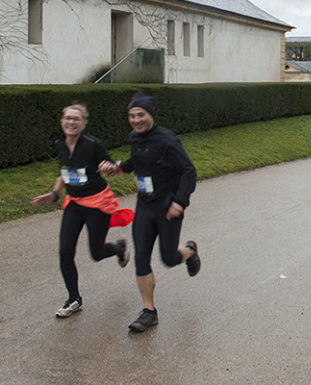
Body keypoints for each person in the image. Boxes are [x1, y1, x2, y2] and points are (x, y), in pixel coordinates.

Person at [100, 92, 201, 333]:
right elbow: (138, 161)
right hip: (145, 206)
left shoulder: (168, 140)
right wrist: (117, 168)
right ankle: (149, 311)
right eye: (132, 116)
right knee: (141, 258)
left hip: (168, 208)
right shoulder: (134, 138)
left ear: (150, 115)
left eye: (141, 115)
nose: (136, 120)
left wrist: (180, 202)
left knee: (168, 258)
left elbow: (189, 172)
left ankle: (189, 252)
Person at [31, 104, 130, 319]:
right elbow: (64, 172)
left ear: (83, 123)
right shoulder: (60, 144)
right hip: (74, 203)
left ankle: (119, 247)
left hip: (97, 203)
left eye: (76, 119)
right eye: (67, 118)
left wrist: (109, 168)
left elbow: (112, 167)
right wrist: (54, 193)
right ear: (62, 121)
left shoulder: (93, 144)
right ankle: (74, 298)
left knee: (96, 253)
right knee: (65, 252)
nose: (71, 122)